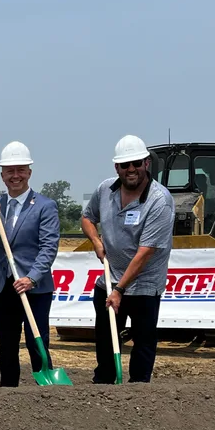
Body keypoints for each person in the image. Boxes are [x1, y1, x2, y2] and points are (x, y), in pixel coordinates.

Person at [81, 134, 176, 383]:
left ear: (146, 163)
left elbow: (145, 252)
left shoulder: (160, 201)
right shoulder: (105, 189)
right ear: (117, 168)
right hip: (109, 281)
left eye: (136, 163)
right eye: (125, 165)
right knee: (105, 336)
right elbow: (87, 217)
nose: (131, 169)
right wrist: (96, 241)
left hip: (143, 284)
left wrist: (120, 290)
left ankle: (138, 389)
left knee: (143, 339)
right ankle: (104, 383)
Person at [0, 141, 60, 387]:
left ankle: (47, 390)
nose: (15, 176)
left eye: (21, 170)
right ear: (2, 175)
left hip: (34, 289)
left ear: (29, 172)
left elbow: (48, 248)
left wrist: (31, 277)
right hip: (4, 287)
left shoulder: (45, 206)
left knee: (36, 342)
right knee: (6, 346)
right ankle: (8, 394)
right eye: (10, 171)